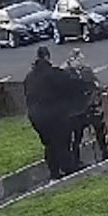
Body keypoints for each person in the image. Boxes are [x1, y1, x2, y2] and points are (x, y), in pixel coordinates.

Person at [24, 46, 76, 179]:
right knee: (62, 140)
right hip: (51, 113)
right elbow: (66, 82)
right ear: (47, 57)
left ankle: (54, 173)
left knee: (49, 144)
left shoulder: (29, 77)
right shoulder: (51, 72)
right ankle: (69, 169)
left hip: (35, 116)